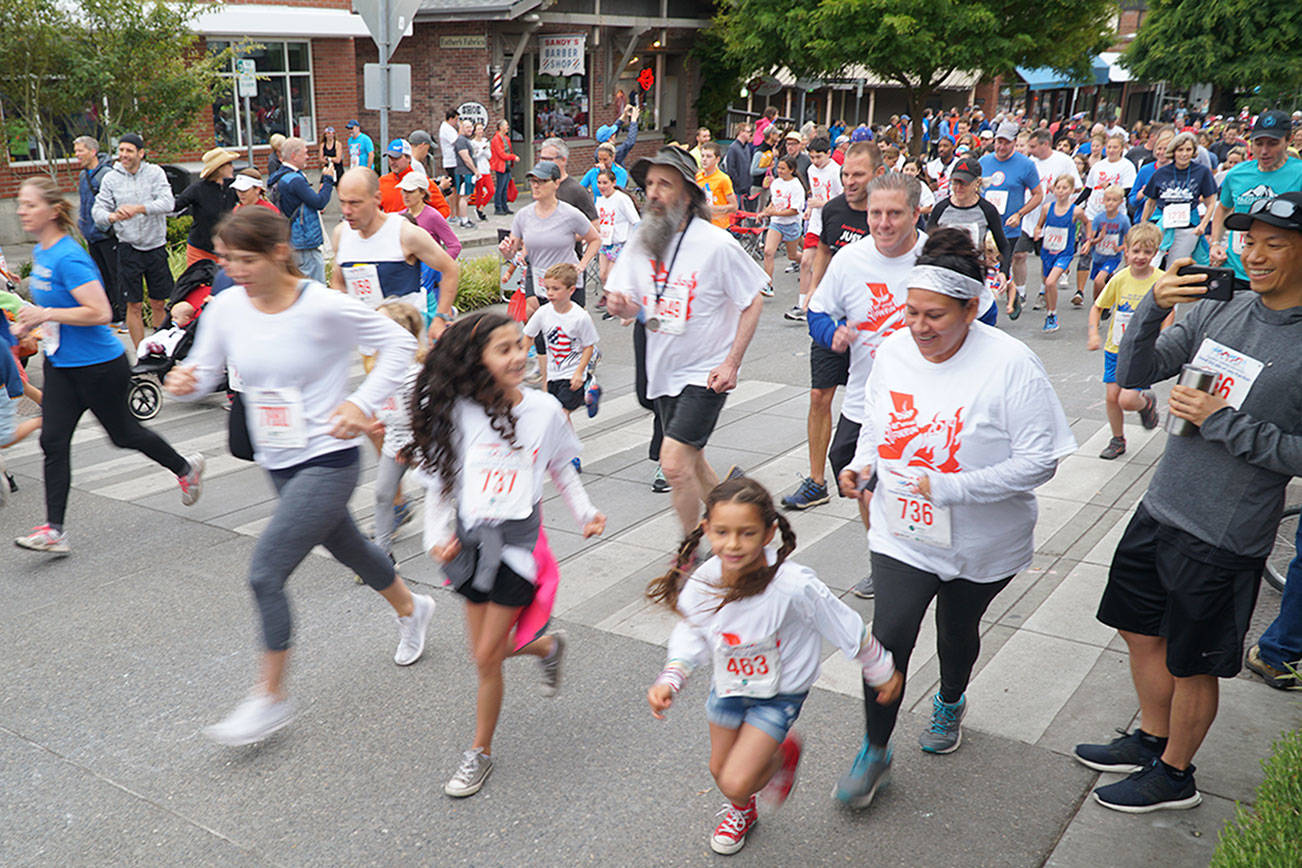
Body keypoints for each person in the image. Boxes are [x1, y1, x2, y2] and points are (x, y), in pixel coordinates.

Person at [165, 207, 433, 746]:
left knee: (265, 572)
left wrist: (360, 402)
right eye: (227, 260)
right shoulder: (227, 310)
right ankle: (413, 607)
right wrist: (186, 382)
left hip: (327, 459)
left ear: (278, 253)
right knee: (350, 547)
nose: (234, 271)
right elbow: (210, 373)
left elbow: (400, 345)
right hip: (278, 459)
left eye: (246, 260)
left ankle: (269, 699)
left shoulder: (323, 307)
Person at [834, 228, 1076, 809]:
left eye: (935, 315)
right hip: (903, 529)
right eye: (911, 311)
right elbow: (875, 417)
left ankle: (950, 698)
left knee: (955, 632)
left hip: (983, 543)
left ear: (972, 307)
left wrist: (953, 487)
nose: (919, 327)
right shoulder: (894, 350)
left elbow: (1040, 462)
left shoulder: (1011, 364)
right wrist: (863, 465)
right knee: (889, 638)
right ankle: (874, 748)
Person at [1076, 192, 1302, 813]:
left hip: (1225, 531)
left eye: (1274, 244)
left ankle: (1176, 775)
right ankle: (1152, 738)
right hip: (1163, 503)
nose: (1254, 255)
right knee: (1136, 627)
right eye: (1247, 240)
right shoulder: (1219, 309)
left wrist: (1224, 422)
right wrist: (1152, 306)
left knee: (1193, 660)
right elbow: (1140, 370)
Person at [645, 477, 900, 856]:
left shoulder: (792, 585)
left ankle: (781, 754)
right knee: (720, 770)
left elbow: (842, 622)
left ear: (768, 533)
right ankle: (744, 813)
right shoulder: (705, 579)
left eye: (746, 533)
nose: (733, 544)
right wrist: (672, 676)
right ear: (706, 530)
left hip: (777, 696)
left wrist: (879, 669)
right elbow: (692, 631)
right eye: (722, 532)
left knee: (734, 781)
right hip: (728, 687)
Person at [408, 310, 605, 797]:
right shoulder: (459, 412)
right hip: (470, 550)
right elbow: (440, 482)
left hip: (518, 552)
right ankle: (547, 646)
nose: (519, 356)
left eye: (521, 344)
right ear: (478, 360)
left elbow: (562, 467)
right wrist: (435, 535)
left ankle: (480, 752)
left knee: (484, 658)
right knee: (487, 656)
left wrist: (585, 513)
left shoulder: (544, 411)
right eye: (504, 349)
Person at [13, 177, 204, 555]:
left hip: (100, 366)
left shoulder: (69, 256)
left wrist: (44, 312)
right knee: (53, 441)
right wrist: (30, 322)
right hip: (62, 365)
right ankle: (55, 531)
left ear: (52, 211)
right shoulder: (41, 252)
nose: (22, 210)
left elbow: (101, 312)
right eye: (20, 203)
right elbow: (53, 312)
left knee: (124, 434)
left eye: (30, 204)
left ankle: (186, 468)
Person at [604, 146, 766, 535]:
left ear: (688, 194)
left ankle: (689, 549)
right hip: (664, 370)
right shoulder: (644, 239)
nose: (653, 193)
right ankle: (747, 529)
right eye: (649, 185)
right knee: (693, 463)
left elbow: (753, 298)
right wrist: (621, 305)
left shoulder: (716, 244)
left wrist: (731, 363)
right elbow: (626, 306)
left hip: (705, 372)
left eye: (665, 184)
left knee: (673, 462)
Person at [808, 173, 927, 599]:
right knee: (862, 484)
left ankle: (918, 560)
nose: (883, 223)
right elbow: (817, 312)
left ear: (915, 213)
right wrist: (831, 334)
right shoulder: (849, 260)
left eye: (894, 213)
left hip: (928, 406)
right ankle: (885, 558)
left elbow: (981, 314)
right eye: (876, 213)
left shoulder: (936, 257)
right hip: (865, 401)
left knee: (917, 488)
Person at [331, 168, 460, 341]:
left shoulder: (405, 233)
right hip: (369, 344)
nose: (346, 211)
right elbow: (338, 283)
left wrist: (441, 318)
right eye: (343, 202)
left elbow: (449, 268)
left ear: (376, 198)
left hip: (408, 345)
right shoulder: (341, 234)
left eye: (355, 203)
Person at [1087, 222, 1166, 459]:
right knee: (1112, 397)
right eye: (1136, 251)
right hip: (1115, 349)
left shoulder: (1160, 280)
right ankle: (1117, 439)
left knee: (1128, 400)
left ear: (1155, 253)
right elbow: (1097, 307)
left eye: (1147, 252)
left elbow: (1169, 310)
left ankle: (1145, 404)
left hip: (1142, 351)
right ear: (1126, 251)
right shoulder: (1119, 279)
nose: (1141, 257)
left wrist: (1165, 336)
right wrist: (1093, 333)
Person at [90, 133, 175, 349]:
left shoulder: (155, 173)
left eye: (129, 151)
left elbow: (168, 203)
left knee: (159, 302)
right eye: (121, 150)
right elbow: (98, 211)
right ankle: (141, 353)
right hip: (128, 248)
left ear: (141, 153)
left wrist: (139, 209)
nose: (123, 155)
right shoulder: (111, 178)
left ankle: (160, 350)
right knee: (133, 305)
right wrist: (112, 216)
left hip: (155, 246)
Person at [1209, 110, 1302, 280]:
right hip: (1236, 270)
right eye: (1258, 143)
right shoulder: (1236, 174)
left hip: (1282, 276)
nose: (1264, 151)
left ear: (1288, 141)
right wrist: (1215, 243)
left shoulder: (1299, 172)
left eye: (1272, 143)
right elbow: (1223, 208)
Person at [499, 161, 600, 313]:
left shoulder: (570, 214)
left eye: (542, 181)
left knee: (569, 331)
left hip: (567, 283)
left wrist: (582, 264)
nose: (536, 185)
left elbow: (595, 239)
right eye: (533, 181)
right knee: (538, 327)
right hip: (542, 282)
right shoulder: (523, 215)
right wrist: (507, 252)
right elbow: (513, 251)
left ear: (556, 183)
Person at [369, 299, 425, 560]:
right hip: (396, 439)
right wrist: (384, 420)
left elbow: (427, 413)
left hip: (423, 442)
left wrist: (413, 445)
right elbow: (389, 404)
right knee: (383, 493)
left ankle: (463, 543)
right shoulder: (382, 368)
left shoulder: (414, 371)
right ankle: (383, 555)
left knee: (438, 493)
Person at [927, 158, 1011, 321]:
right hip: (944, 279)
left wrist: (1003, 272)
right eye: (955, 182)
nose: (958, 188)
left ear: (977, 183)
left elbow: (1004, 246)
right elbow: (927, 244)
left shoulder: (987, 209)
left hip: (974, 278)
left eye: (963, 183)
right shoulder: (941, 208)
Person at [522, 263, 598, 443]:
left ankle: (570, 455)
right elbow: (528, 335)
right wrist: (519, 358)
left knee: (560, 414)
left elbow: (589, 346)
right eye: (547, 288)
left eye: (555, 289)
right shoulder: (543, 313)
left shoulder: (580, 317)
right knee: (558, 415)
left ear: (571, 290)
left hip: (572, 374)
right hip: (553, 375)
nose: (549, 293)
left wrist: (580, 371)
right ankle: (590, 393)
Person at [979, 121, 1042, 306]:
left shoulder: (1026, 165)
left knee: (1013, 258)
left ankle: (1019, 292)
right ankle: (987, 298)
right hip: (986, 224)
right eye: (999, 141)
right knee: (986, 262)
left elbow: (1038, 195)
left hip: (1009, 225)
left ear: (1014, 142)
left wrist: (1020, 214)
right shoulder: (984, 162)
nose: (1001, 146)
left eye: (1006, 142)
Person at [1141, 132, 1218, 267]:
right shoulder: (1161, 172)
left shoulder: (1202, 172)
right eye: (1180, 150)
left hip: (1187, 226)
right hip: (1162, 224)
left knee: (1175, 266)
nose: (1184, 154)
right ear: (1173, 151)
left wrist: (1203, 225)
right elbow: (1150, 202)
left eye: (1188, 150)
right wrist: (1143, 225)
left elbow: (1211, 202)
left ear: (1194, 152)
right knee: (1151, 263)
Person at [266, 137, 336, 283]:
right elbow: (319, 202)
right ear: (294, 155)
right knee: (315, 289)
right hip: (304, 243)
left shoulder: (278, 177)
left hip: (291, 240)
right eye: (305, 153)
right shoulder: (295, 180)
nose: (307, 157)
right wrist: (328, 180)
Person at [790, 137, 843, 321]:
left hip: (833, 221)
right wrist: (810, 209)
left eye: (819, 157)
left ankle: (822, 303)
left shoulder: (837, 171)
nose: (815, 161)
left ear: (828, 153)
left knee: (827, 266)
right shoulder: (811, 170)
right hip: (816, 221)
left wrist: (820, 203)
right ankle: (802, 304)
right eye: (812, 157)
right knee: (805, 262)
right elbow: (815, 193)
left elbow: (842, 200)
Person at [72, 136, 122, 325]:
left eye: (80, 151)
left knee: (114, 274)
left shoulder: (106, 174)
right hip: (91, 236)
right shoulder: (83, 175)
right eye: (76, 151)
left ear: (92, 152)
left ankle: (120, 314)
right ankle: (110, 312)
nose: (77, 155)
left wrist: (105, 225)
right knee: (101, 275)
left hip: (106, 235)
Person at [175, 147, 239, 268]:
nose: (233, 167)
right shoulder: (197, 189)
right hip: (199, 249)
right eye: (230, 164)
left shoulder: (233, 187)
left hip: (226, 249)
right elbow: (174, 206)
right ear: (220, 168)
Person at [761, 156, 805, 296]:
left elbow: (794, 210)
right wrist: (766, 212)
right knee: (768, 252)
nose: (779, 171)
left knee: (792, 256)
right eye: (778, 168)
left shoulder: (796, 186)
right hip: (776, 223)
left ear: (791, 170)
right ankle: (768, 284)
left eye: (783, 168)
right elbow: (774, 201)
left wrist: (775, 212)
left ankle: (812, 262)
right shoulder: (776, 183)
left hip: (791, 223)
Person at [378, 138, 450, 217]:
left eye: (397, 157)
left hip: (413, 228)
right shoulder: (382, 182)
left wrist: (423, 224)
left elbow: (443, 209)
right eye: (390, 157)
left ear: (408, 158)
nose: (392, 162)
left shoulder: (421, 181)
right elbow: (374, 211)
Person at [594, 168, 640, 285]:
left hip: (621, 243)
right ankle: (609, 301)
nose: (601, 186)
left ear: (613, 183)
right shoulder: (600, 201)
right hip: (605, 242)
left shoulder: (621, 199)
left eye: (605, 183)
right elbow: (598, 222)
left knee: (611, 277)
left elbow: (636, 221)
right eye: (599, 183)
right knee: (603, 276)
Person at [697, 141, 738, 231]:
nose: (704, 159)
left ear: (717, 159)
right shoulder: (698, 177)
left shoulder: (723, 179)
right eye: (702, 156)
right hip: (701, 224)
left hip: (718, 227)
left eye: (709, 156)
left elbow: (734, 207)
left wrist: (713, 209)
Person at [451, 119, 478, 229]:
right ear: (461, 128)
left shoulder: (465, 140)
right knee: (464, 196)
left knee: (466, 196)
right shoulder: (461, 141)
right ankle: (464, 220)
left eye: (471, 127)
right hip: (464, 172)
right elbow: (465, 158)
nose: (470, 129)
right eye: (467, 127)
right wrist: (475, 170)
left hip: (466, 172)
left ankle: (464, 218)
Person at [489, 119, 519, 216]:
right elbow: (501, 154)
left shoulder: (505, 138)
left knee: (505, 187)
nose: (507, 127)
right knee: (500, 187)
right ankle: (498, 207)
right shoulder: (496, 139)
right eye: (506, 125)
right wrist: (513, 157)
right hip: (500, 165)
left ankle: (504, 206)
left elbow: (507, 151)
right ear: (500, 127)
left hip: (506, 165)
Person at [724, 122, 753, 201]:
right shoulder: (733, 148)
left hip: (746, 188)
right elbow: (731, 168)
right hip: (737, 189)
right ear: (741, 132)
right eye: (748, 131)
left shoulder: (746, 147)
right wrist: (738, 183)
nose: (750, 134)